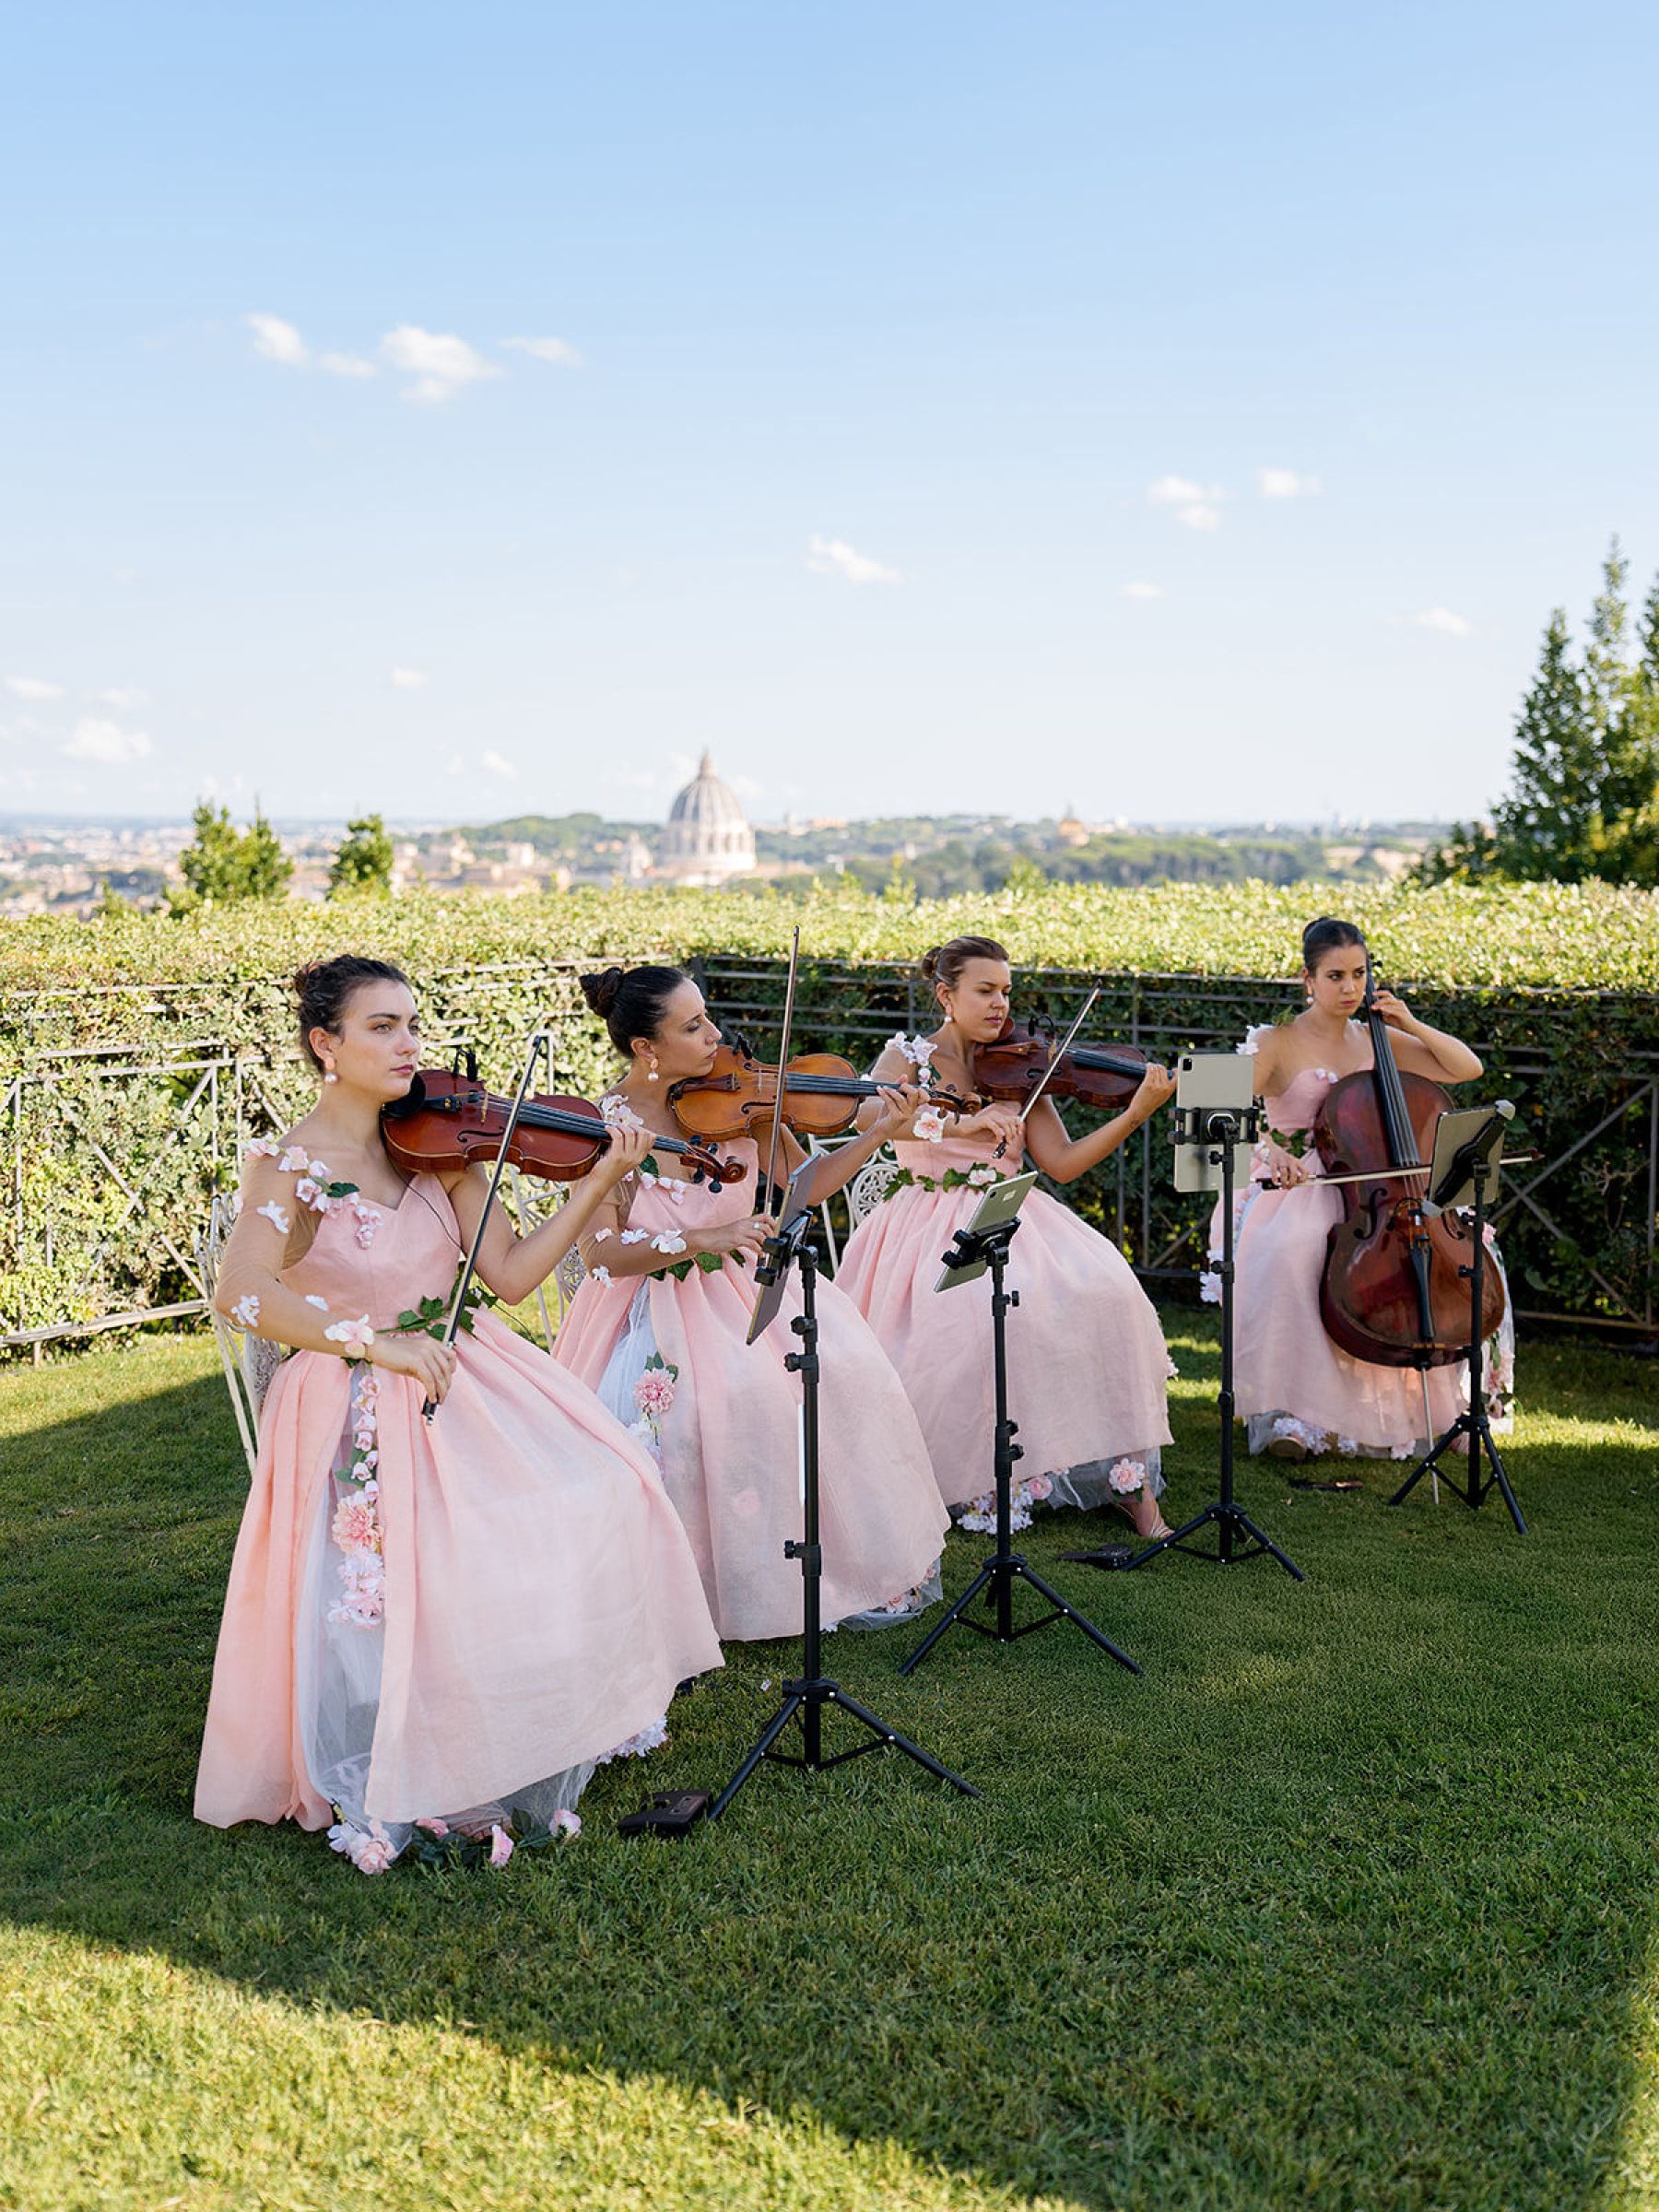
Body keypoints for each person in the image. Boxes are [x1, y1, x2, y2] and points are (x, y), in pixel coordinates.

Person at [195, 955, 723, 1874]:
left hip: (468, 1368)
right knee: (470, 1537)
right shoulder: (292, 1166)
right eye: (381, 1027)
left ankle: (528, 1715)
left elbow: (513, 1278)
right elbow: (237, 1291)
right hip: (359, 1397)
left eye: (411, 1022)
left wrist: (601, 1179)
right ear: (326, 1045)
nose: (409, 1043)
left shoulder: (439, 1143)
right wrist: (372, 1342)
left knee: (610, 1481)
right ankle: (420, 1743)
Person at [553, 964, 951, 1641]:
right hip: (651, 1311)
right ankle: (691, 1589)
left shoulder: (740, 1102)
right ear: (646, 1049)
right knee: (711, 1408)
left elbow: (810, 1183)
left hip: (747, 1295)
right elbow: (601, 1256)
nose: (715, 1035)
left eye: (707, 1017)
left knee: (844, 1378)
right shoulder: (604, 1128)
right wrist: (699, 1235)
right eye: (692, 1026)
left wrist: (877, 1132)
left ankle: (798, 1568)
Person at [834, 936, 1177, 1537]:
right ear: (946, 994)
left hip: (1010, 1209)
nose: (1001, 1004)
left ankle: (1129, 1481)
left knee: (1108, 1293)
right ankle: (973, 1475)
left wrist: (1135, 1112)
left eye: (1006, 992)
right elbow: (867, 1117)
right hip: (928, 1219)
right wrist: (967, 1118)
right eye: (985, 991)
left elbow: (1063, 1162)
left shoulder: (1018, 1065)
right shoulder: (908, 1054)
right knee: (975, 1316)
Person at [1219, 915, 1516, 1465]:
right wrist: (1269, 1149)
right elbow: (1217, 1105)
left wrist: (1410, 1020)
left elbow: (1465, 1068)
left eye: (1359, 974)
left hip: (1377, 1183)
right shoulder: (1277, 1043)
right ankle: (1294, 1414)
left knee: (1456, 1253)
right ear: (1307, 979)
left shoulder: (1378, 1037)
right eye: (1335, 976)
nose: (1350, 988)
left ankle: (1433, 1409)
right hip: (1304, 1181)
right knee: (1296, 1249)